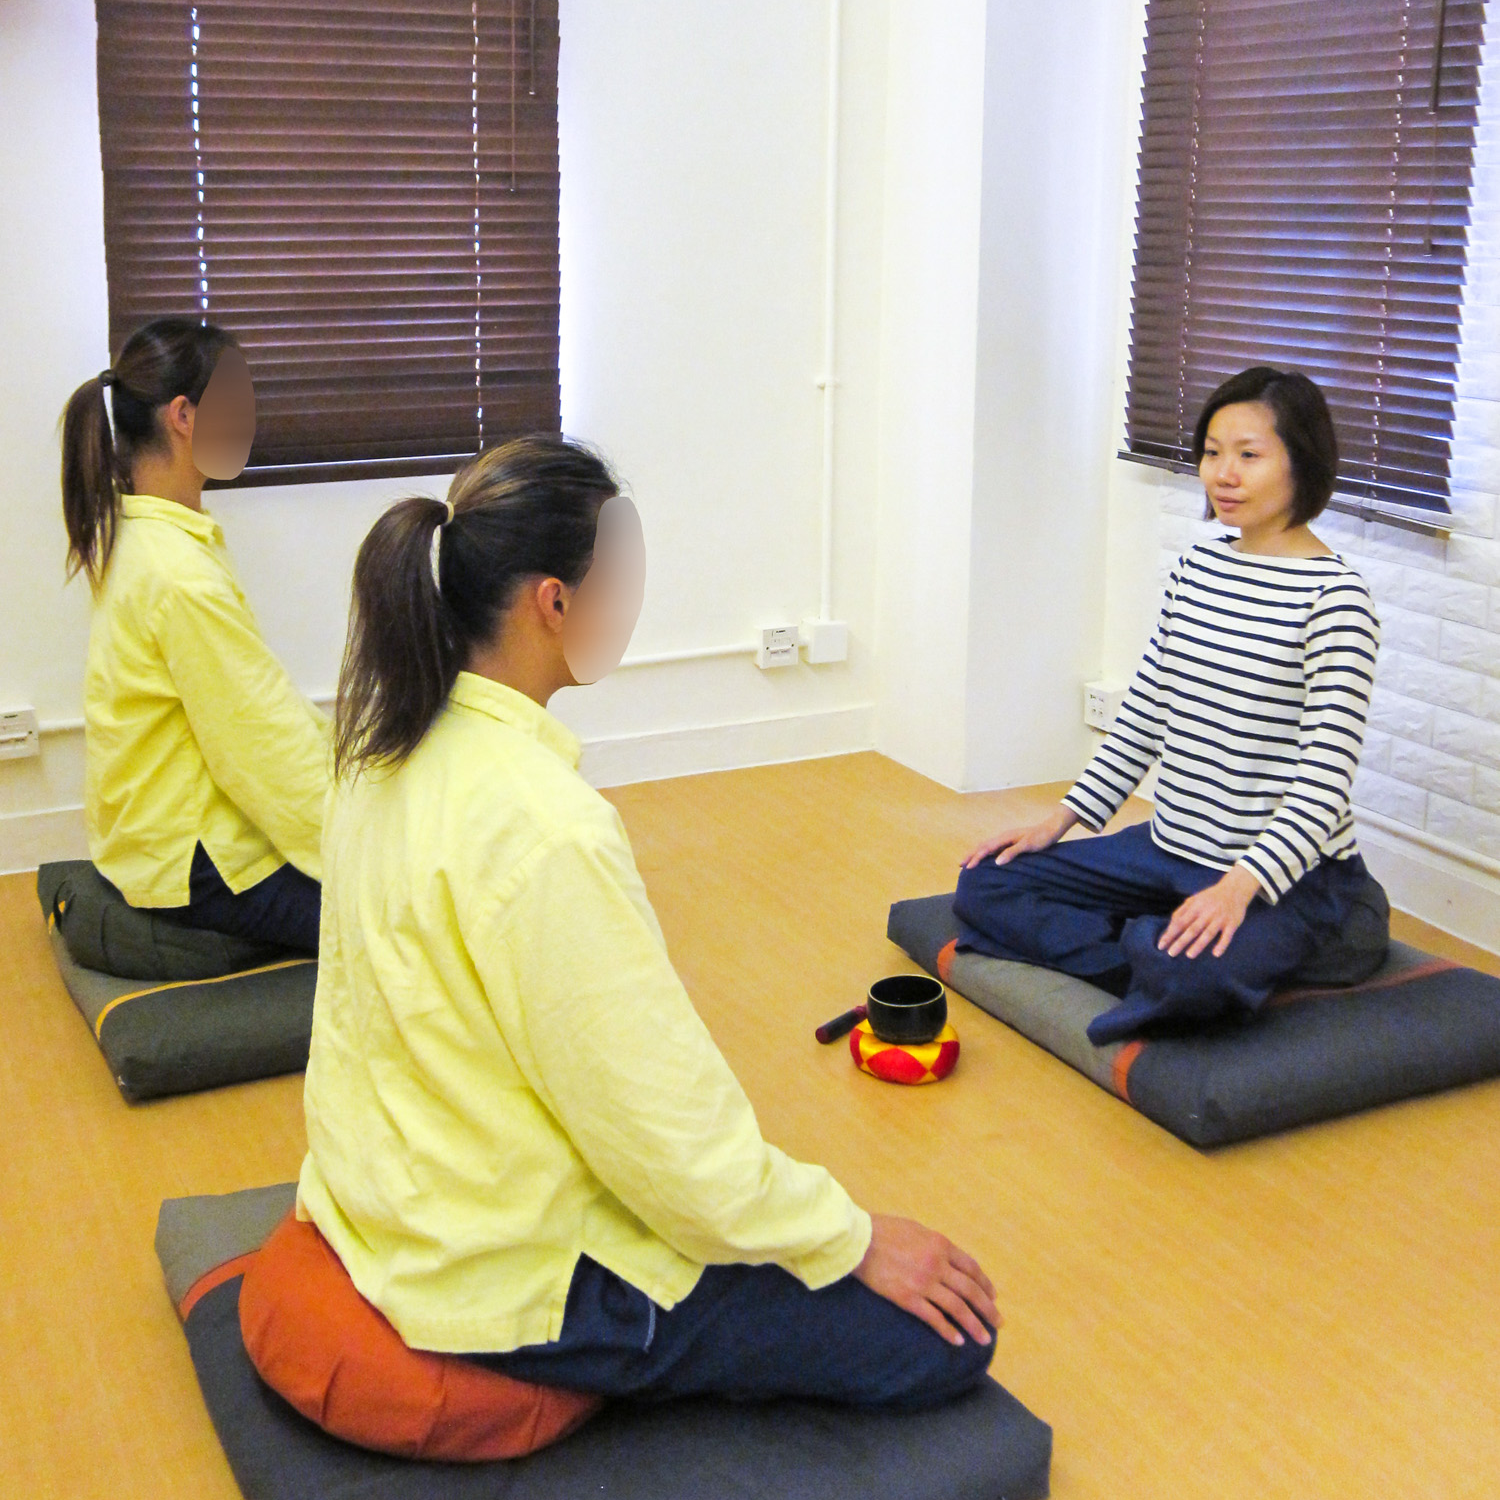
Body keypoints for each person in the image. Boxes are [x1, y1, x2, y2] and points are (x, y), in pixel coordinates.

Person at [297, 433, 998, 1409]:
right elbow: (670, 1147)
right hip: (509, 1277)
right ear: (553, 599)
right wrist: (853, 1234)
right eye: (618, 573)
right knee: (947, 1339)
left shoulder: (378, 751)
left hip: (380, 1201)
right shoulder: (549, 828)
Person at [956, 366, 1389, 1045]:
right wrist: (1060, 821)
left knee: (1190, 978)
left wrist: (1238, 888)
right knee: (987, 883)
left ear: (1301, 462)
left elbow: (1323, 783)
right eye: (1213, 452)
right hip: (1171, 848)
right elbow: (1145, 714)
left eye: (1249, 455)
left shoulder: (1334, 601)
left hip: (1287, 879)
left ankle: (1189, 956)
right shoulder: (1198, 568)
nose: (1224, 473)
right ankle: (1155, 952)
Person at [60, 318, 327, 952]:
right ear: (185, 415)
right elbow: (260, 748)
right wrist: (367, 848)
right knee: (410, 919)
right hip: (195, 864)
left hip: (149, 833)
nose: (252, 420)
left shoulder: (147, 534)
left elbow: (257, 708)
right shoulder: (177, 574)